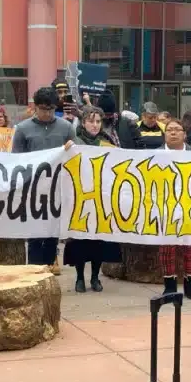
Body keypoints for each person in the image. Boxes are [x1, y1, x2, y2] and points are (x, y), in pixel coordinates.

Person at [13, 86, 75, 266]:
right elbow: (16, 158)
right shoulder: (23, 129)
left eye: (51, 109)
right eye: (43, 109)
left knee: (52, 234)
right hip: (32, 189)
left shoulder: (66, 127)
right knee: (34, 235)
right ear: (35, 107)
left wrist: (72, 148)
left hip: (57, 189)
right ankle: (34, 270)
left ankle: (48, 267)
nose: (47, 113)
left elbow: (75, 156)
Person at [62, 107, 120, 292]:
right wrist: (65, 150)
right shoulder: (74, 143)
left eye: (98, 121)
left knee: (98, 241)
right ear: (83, 122)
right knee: (79, 240)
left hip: (101, 198)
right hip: (79, 197)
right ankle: (80, 277)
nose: (95, 125)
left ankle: (95, 277)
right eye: (90, 121)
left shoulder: (107, 144)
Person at [160, 118, 191, 300]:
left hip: (190, 205)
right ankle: (169, 286)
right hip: (165, 205)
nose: (173, 132)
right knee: (166, 248)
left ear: (184, 134)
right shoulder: (155, 155)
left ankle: (190, 285)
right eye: (169, 129)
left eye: (177, 129)